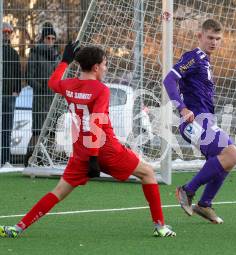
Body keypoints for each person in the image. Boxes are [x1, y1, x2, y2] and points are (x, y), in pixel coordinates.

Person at [0, 42, 176, 238]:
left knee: (58, 191)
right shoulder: (101, 89)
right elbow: (96, 122)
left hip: (81, 153)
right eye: (105, 64)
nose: (106, 68)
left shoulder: (68, 85)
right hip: (106, 150)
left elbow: (52, 83)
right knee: (148, 173)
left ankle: (18, 227)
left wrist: (65, 61)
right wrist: (95, 157)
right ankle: (160, 227)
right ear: (96, 67)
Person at [163, 19, 236, 224]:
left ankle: (205, 204)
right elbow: (169, 79)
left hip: (205, 120)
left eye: (217, 39)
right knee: (232, 154)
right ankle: (187, 191)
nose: (214, 42)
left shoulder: (206, 61)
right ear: (200, 36)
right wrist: (182, 108)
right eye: (210, 38)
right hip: (194, 120)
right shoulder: (194, 57)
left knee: (223, 162)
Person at [24, 23, 61, 165]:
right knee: (37, 131)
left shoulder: (57, 55)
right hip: (40, 97)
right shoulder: (35, 53)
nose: (50, 41)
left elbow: (62, 74)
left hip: (54, 98)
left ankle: (47, 160)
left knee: (52, 131)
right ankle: (29, 158)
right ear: (43, 39)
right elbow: (29, 76)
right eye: (48, 38)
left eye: (53, 38)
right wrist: (41, 88)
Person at [1, 22, 22, 166]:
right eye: (4, 31)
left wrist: (16, 90)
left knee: (6, 129)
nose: (6, 34)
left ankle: (5, 160)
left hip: (8, 96)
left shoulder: (13, 54)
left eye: (9, 32)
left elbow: (17, 74)